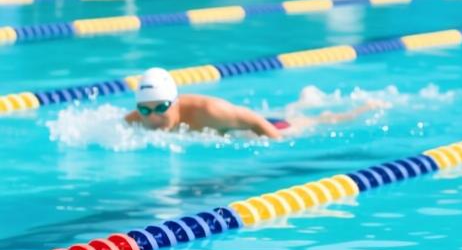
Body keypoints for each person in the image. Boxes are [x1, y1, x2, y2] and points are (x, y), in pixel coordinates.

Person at [125, 67, 380, 139]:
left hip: (254, 128)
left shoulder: (209, 110)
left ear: (176, 102)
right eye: (146, 109)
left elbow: (255, 120)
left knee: (308, 122)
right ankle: (304, 101)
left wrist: (276, 142)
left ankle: (364, 107)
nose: (153, 117)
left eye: (161, 108)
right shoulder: (135, 119)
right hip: (229, 130)